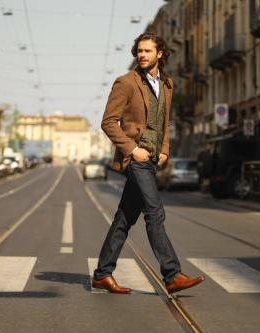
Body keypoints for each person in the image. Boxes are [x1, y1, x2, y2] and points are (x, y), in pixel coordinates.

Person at [92, 32, 205, 294]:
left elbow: (165, 121)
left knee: (125, 217)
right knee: (155, 212)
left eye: (147, 51)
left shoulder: (167, 83)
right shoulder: (126, 82)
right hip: (137, 158)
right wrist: (132, 149)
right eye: (139, 51)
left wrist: (164, 149)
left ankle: (102, 274)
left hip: (153, 158)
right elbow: (108, 122)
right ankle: (172, 274)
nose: (142, 55)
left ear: (160, 54)